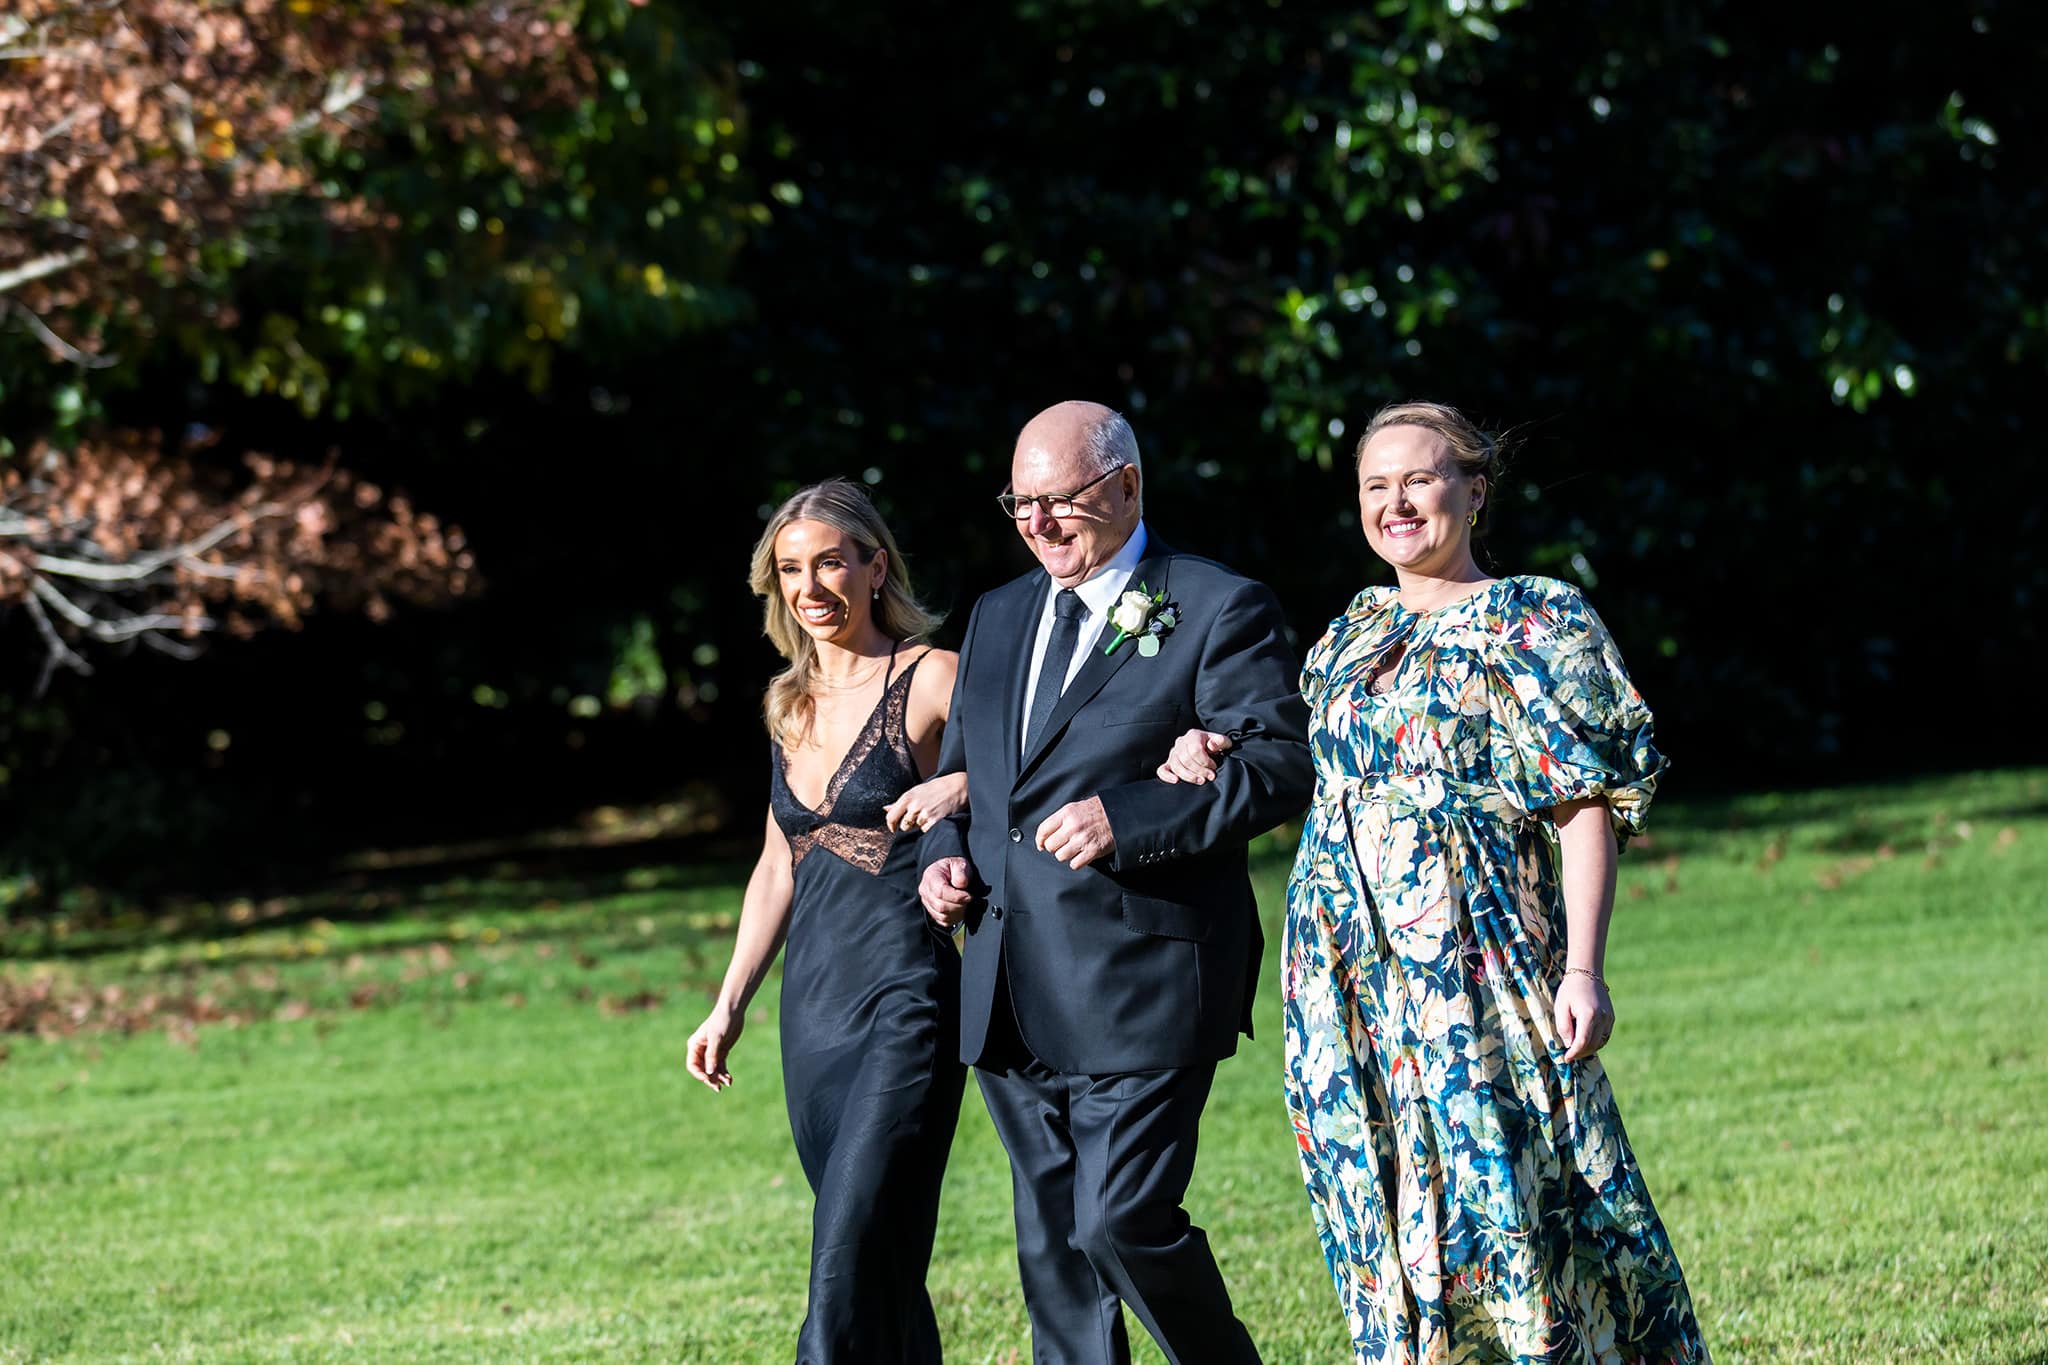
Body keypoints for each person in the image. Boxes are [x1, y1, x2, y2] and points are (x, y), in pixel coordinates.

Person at [1162, 401, 1709, 1364]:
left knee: (1522, 1182)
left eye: (1419, 478)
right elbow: (1328, 781)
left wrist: (1583, 969)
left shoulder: (1536, 618)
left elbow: (1583, 807)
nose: (1396, 502)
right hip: (1348, 980)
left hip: (1479, 965)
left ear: (1475, 488)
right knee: (1379, 1193)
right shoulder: (1351, 632)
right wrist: (1215, 746)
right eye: (1377, 486)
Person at [917, 401, 1312, 1365]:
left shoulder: (1219, 604)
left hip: (1143, 974)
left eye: (1065, 500)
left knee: (1118, 1221)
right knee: (1055, 1249)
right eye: (1023, 503)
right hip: (1008, 976)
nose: (1041, 524)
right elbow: (970, 781)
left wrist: (1127, 815)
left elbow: (1279, 766)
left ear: (1129, 484)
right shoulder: (999, 614)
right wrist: (943, 858)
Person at [687, 477, 969, 1364]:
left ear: (874, 565)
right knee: (879, 1265)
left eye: (830, 563)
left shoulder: (930, 676)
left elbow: (1028, 769)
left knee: (842, 1256)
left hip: (908, 995)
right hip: (812, 1011)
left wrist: (962, 782)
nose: (810, 587)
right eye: (791, 570)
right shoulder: (788, 703)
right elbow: (778, 862)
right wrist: (729, 1001)